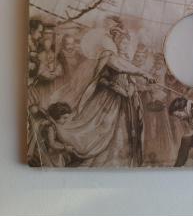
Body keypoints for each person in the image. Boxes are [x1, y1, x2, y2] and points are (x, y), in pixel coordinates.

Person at [52, 20, 155, 167]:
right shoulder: (109, 55)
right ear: (116, 42)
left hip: (125, 100)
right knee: (103, 128)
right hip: (109, 99)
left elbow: (129, 78)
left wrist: (131, 89)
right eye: (122, 43)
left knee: (123, 130)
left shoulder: (126, 58)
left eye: (126, 43)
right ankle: (99, 158)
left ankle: (119, 160)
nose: (125, 45)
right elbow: (118, 69)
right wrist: (143, 74)